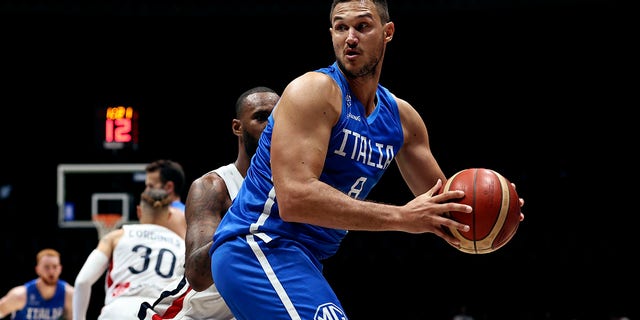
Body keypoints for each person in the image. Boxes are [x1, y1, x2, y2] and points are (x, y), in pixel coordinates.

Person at [209, 1, 525, 319]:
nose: (350, 37)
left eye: (362, 26)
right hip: (257, 244)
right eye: (340, 27)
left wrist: (496, 208)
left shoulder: (401, 119)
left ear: (387, 32)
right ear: (331, 33)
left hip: (302, 258)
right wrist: (402, 217)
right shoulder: (314, 91)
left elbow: (443, 210)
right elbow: (295, 198)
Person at [137, 86, 279, 320]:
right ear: (237, 127)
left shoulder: (290, 190)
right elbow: (198, 275)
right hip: (190, 313)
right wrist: (250, 222)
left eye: (277, 118)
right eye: (262, 117)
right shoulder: (214, 186)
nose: (272, 126)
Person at [73, 188, 186, 320]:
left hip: (118, 310)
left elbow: (82, 282)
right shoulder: (182, 245)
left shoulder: (116, 236)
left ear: (139, 211)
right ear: (169, 215)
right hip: (155, 311)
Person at [0, 248, 74, 320]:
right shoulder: (20, 295)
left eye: (55, 267)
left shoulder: (69, 295)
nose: (51, 271)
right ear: (37, 269)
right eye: (46, 267)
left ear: (60, 269)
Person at [145, 159, 187, 238]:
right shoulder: (188, 213)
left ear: (169, 187)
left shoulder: (172, 216)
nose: (146, 191)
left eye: (151, 186)